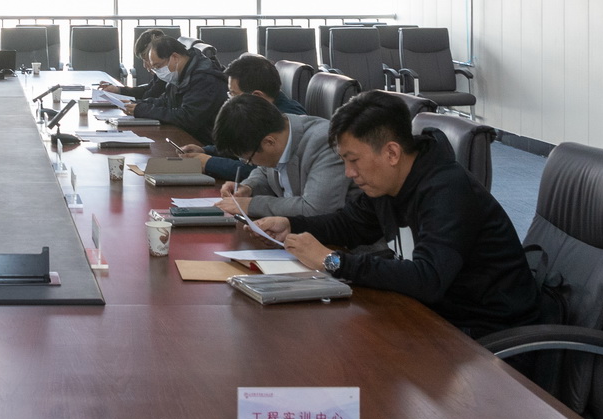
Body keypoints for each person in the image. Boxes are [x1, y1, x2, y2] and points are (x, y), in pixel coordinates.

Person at [256, 90, 544, 339]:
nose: (348, 173)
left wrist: (333, 261)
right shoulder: (387, 182)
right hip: (431, 317)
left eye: (353, 160)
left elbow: (429, 279)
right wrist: (292, 224)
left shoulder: (447, 191)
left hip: (485, 334)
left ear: (392, 153)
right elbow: (350, 224)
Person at [208, 93, 348, 220]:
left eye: (248, 159)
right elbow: (264, 171)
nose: (249, 164)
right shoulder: (278, 132)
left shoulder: (325, 142)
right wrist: (248, 187)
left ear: (269, 142)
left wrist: (250, 205)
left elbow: (315, 209)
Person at [176, 54, 307, 182]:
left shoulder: (285, 122)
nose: (229, 100)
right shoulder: (259, 113)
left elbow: (258, 169)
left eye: (233, 94)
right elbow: (244, 148)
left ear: (257, 96)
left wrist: (209, 163)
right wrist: (206, 151)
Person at [123, 34, 228, 144]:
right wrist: (138, 104)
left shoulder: (204, 78)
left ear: (175, 57)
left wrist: (144, 110)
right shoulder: (180, 73)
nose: (157, 72)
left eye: (158, 66)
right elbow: (167, 101)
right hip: (188, 137)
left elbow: (187, 118)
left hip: (206, 143)